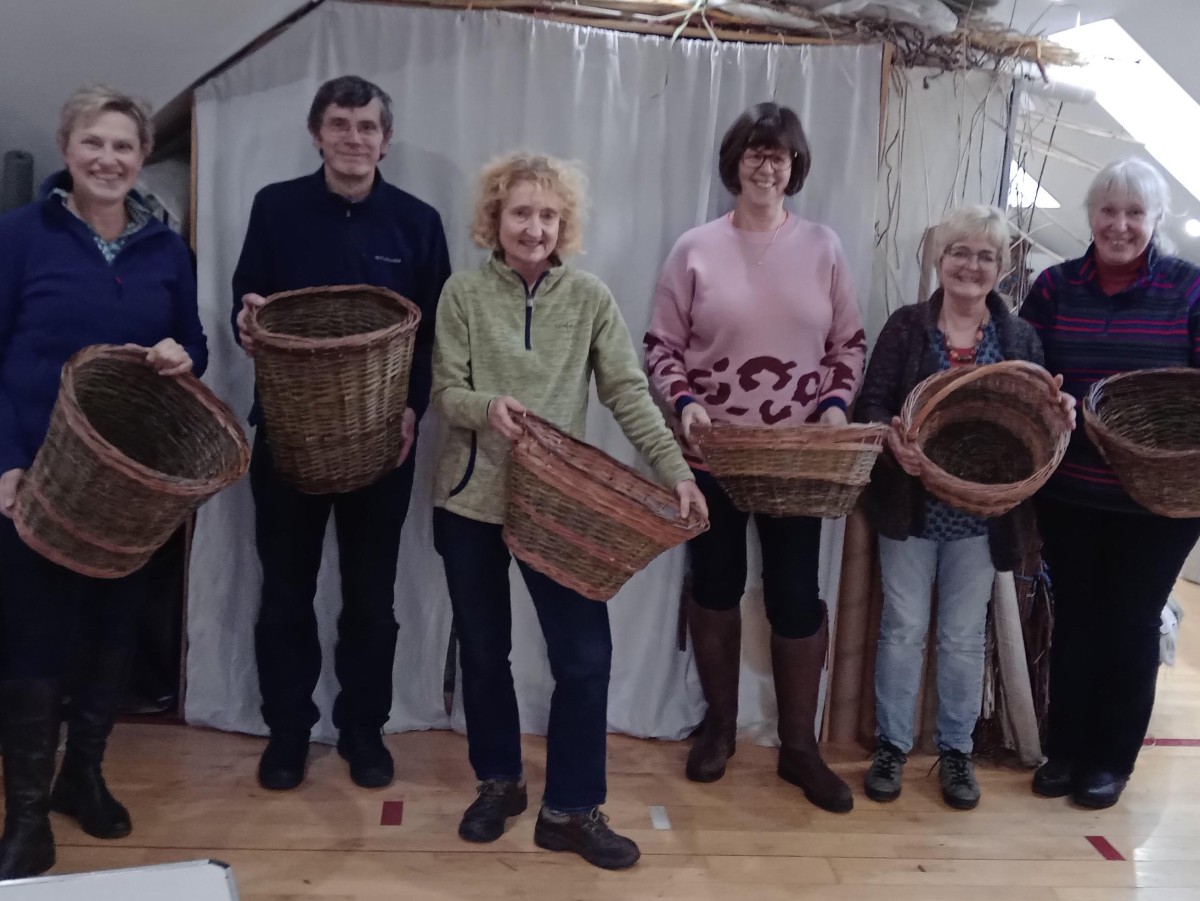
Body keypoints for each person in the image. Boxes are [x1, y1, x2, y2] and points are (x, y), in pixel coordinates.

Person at [431, 153, 705, 870]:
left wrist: (676, 471)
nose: (534, 227)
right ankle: (499, 783)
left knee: (585, 659)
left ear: (564, 225)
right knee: (484, 652)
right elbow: (445, 393)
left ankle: (571, 810)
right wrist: (486, 407)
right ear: (496, 218)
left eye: (548, 215)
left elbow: (627, 392)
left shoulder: (589, 298)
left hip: (558, 508)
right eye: (521, 212)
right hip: (470, 501)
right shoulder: (462, 293)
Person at [0, 85, 208, 879]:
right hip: (36, 478)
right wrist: (5, 462)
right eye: (94, 142)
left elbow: (192, 343)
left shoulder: (167, 249)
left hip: (130, 488)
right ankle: (25, 814)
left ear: (142, 156)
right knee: (34, 639)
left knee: (113, 634)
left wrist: (184, 356)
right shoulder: (19, 237)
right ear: (67, 149)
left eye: (124, 146)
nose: (108, 159)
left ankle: (81, 775)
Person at [644, 101, 866, 812]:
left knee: (795, 594)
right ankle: (719, 727)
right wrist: (684, 403)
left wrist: (834, 406)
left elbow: (848, 345)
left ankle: (799, 746)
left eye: (780, 154)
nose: (767, 166)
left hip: (797, 458)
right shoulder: (694, 248)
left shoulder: (824, 246)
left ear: (795, 166)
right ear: (735, 162)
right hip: (713, 452)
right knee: (715, 583)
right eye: (755, 152)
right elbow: (661, 346)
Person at [232, 75, 450, 792]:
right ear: (316, 132)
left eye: (366, 126)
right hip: (286, 438)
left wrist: (412, 409)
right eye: (339, 124)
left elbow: (434, 335)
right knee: (284, 594)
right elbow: (246, 303)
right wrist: (245, 321)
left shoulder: (417, 222)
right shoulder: (276, 207)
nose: (353, 138)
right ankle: (288, 732)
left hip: (383, 443)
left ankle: (363, 730)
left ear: (385, 140)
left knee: (371, 599)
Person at [855, 205, 1074, 810]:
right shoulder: (906, 327)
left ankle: (956, 751)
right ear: (940, 258)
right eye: (960, 252)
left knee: (960, 637)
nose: (971, 266)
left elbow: (1040, 413)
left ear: (1000, 269)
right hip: (909, 508)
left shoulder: (1019, 337)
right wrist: (891, 439)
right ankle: (891, 747)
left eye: (985, 256)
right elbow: (871, 403)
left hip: (983, 516)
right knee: (902, 629)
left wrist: (1061, 411)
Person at [1020, 158, 1200, 809]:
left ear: (1156, 219)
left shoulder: (1188, 289)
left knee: (1130, 621)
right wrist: (1048, 398)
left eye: (1134, 213)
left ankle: (1109, 760)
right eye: (1108, 210)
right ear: (1090, 215)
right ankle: (1065, 750)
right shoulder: (1054, 287)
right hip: (1072, 489)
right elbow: (1024, 371)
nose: (1119, 225)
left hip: (1163, 499)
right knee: (1076, 619)